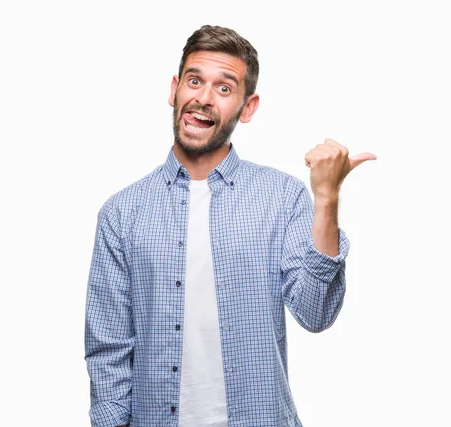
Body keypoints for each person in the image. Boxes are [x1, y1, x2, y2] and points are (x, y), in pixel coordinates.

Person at [85, 24, 376, 427]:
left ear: (248, 106)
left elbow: (315, 313)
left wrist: (327, 199)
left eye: (224, 88)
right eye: (194, 81)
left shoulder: (281, 197)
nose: (203, 98)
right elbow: (108, 349)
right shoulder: (122, 213)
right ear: (174, 90)